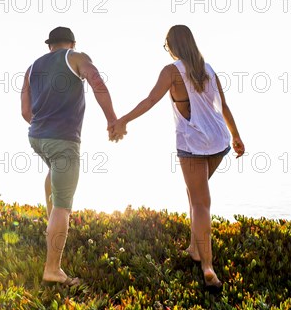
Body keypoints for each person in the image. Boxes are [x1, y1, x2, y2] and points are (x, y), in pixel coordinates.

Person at [109, 25, 245, 293]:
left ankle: (208, 267)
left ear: (172, 46)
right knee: (195, 192)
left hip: (193, 143)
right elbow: (224, 107)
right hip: (218, 141)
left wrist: (123, 120)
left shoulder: (172, 71)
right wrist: (237, 137)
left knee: (200, 202)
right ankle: (195, 248)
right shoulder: (208, 69)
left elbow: (150, 100)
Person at [21, 26, 120, 286]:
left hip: (36, 138)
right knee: (63, 206)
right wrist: (112, 119)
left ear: (49, 46)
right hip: (63, 142)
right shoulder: (76, 57)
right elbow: (97, 82)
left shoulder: (32, 68)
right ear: (72, 43)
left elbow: (24, 111)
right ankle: (53, 269)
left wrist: (43, 128)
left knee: (54, 174)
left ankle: (50, 226)